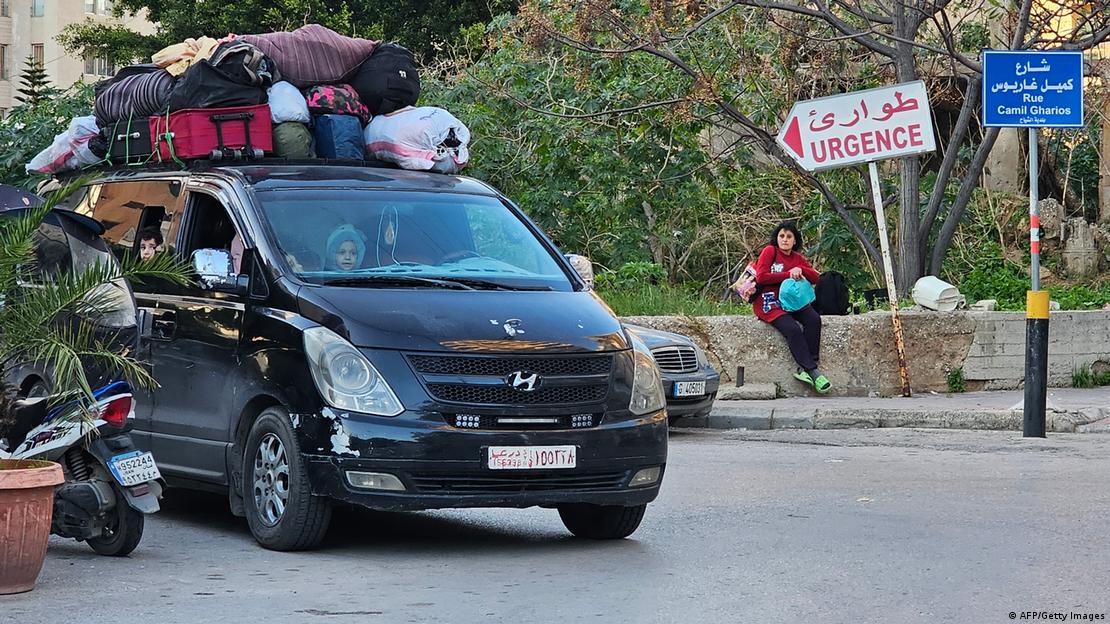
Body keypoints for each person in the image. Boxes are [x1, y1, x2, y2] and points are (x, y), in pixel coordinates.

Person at [753, 220, 830, 393]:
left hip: (793, 302)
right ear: (777, 238)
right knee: (792, 328)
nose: (785, 239)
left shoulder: (797, 258)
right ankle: (813, 372)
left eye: (789, 236)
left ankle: (807, 366)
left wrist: (800, 269)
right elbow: (761, 277)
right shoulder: (770, 251)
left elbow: (816, 278)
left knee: (813, 319)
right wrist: (788, 274)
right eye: (781, 236)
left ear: (795, 241)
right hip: (770, 302)